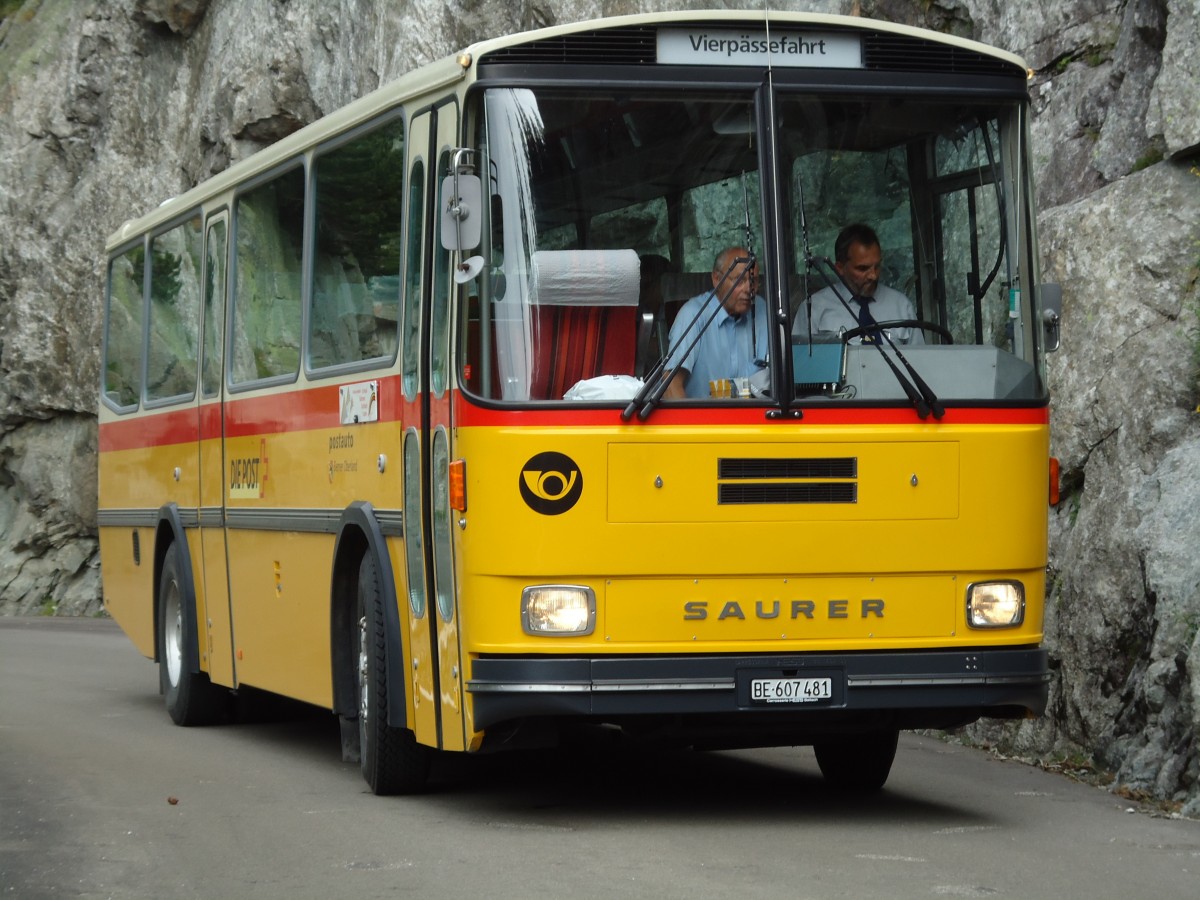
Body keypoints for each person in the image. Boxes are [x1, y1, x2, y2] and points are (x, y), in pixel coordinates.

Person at [663, 246, 769, 399]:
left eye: (753, 281)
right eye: (739, 280)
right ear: (717, 279)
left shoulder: (762, 311)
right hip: (705, 419)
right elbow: (671, 384)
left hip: (756, 419)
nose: (748, 289)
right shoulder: (694, 315)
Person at [794, 223, 924, 345]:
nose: (873, 275)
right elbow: (799, 363)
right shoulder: (813, 309)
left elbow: (920, 362)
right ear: (840, 268)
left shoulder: (901, 307)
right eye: (862, 269)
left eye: (877, 266)